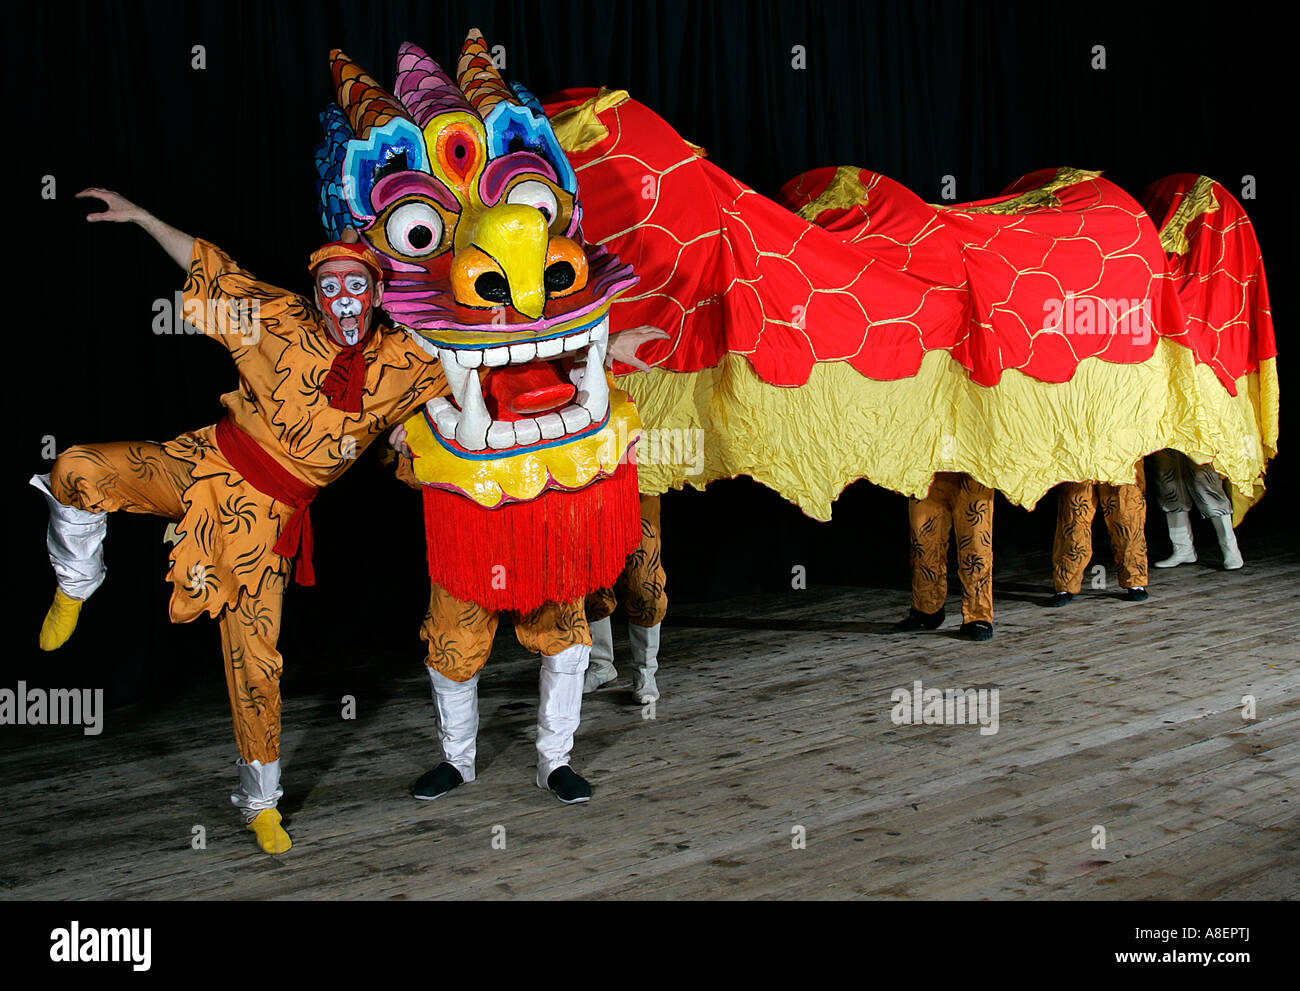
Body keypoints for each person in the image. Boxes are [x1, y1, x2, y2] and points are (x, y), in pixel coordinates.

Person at [31, 188, 449, 854]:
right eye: (330, 284)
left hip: (264, 526)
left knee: (256, 667)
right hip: (203, 464)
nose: (343, 296)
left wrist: (422, 430)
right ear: (317, 293)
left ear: (374, 294)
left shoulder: (407, 362)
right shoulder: (277, 318)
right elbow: (211, 267)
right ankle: (76, 582)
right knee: (77, 468)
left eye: (356, 284)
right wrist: (142, 217)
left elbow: (492, 359)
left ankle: (260, 804)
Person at [583, 494, 668, 703]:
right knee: (591, 576)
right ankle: (601, 665)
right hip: (591, 478)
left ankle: (645, 672)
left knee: (644, 582)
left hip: (637, 479)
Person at [893, 472, 995, 641]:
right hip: (928, 464)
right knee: (924, 541)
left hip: (971, 465)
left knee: (976, 544)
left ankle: (978, 614)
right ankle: (927, 610)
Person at [1047, 468, 1149, 606]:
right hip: (1081, 453)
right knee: (1074, 517)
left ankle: (1135, 581)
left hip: (1118, 454)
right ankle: (1065, 585)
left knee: (1127, 517)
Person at [1149, 449, 1243, 569]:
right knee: (1167, 479)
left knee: (1204, 477)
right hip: (1164, 432)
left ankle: (1230, 548)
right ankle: (1183, 548)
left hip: (1194, 431)